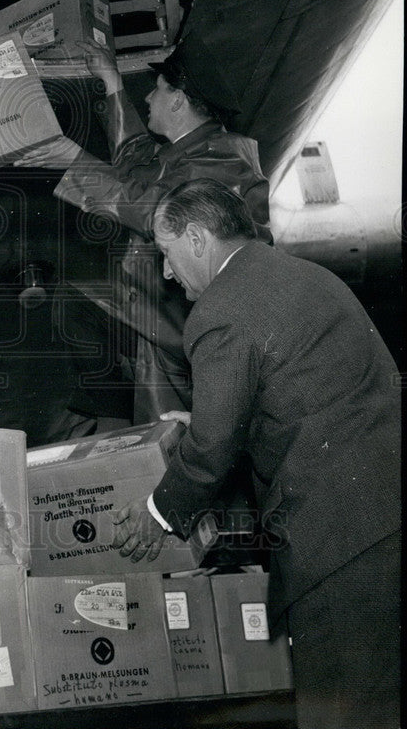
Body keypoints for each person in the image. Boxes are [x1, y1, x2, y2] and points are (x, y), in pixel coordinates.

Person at [112, 178, 401, 729]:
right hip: (381, 518)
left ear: (197, 239)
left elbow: (211, 452)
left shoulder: (222, 307)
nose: (168, 274)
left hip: (340, 541)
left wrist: (157, 515)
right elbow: (312, 392)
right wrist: (206, 419)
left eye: (167, 254)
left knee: (343, 712)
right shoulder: (303, 276)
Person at [15, 33, 270, 425]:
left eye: (157, 90)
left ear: (178, 100)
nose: (148, 98)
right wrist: (112, 81)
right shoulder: (193, 148)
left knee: (167, 437)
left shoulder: (226, 163)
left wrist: (73, 159)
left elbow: (162, 212)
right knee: (74, 306)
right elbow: (137, 164)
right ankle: (116, 422)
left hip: (184, 327)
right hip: (159, 312)